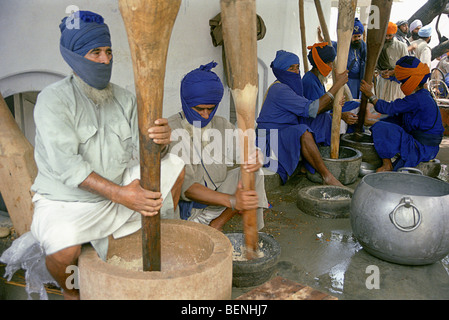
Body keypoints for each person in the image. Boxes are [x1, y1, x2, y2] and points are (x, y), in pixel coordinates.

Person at [0, 10, 185, 300]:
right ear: (73, 57)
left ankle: (130, 239)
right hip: (66, 201)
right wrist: (124, 196)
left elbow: (144, 151)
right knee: (64, 251)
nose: (105, 60)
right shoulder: (53, 100)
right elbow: (69, 168)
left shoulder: (124, 99)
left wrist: (161, 141)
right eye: (95, 52)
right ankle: (72, 293)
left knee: (176, 165)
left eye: (109, 51)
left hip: (120, 188)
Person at [168, 61, 268, 231]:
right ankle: (189, 227)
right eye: (200, 109)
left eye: (211, 108)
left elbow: (245, 149)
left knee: (254, 172)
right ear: (186, 102)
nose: (206, 114)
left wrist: (255, 156)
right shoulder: (171, 130)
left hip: (220, 201)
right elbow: (187, 188)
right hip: (191, 209)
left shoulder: (221, 124)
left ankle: (218, 224)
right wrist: (232, 201)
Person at [256, 50, 348, 186]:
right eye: (291, 68)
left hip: (284, 130)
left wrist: (334, 105)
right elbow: (313, 108)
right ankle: (326, 175)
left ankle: (310, 163)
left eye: (297, 67)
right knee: (303, 131)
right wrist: (337, 85)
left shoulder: (289, 86)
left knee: (323, 119)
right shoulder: (280, 89)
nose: (296, 71)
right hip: (271, 138)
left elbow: (313, 110)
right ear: (281, 71)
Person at [360, 56, 444, 172]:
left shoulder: (417, 99)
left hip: (422, 148)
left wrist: (370, 94)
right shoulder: (422, 95)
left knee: (380, 128)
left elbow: (386, 108)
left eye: (402, 81)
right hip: (427, 146)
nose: (400, 84)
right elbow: (398, 118)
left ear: (410, 81)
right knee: (391, 120)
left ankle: (386, 164)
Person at [302, 42, 359, 133]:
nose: (331, 67)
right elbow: (316, 111)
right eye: (328, 63)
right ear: (319, 64)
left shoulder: (317, 78)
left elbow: (323, 103)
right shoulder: (309, 82)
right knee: (344, 118)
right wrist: (340, 115)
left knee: (354, 105)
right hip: (316, 121)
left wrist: (334, 102)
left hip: (324, 113)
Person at [332, 18, 367, 99]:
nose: (357, 39)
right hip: (348, 81)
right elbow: (331, 44)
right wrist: (321, 37)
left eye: (359, 36)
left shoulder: (363, 46)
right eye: (355, 37)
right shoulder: (343, 45)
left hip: (360, 80)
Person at [376, 22, 408, 101]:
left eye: (389, 36)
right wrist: (381, 72)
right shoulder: (379, 46)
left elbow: (406, 66)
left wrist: (392, 72)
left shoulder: (401, 46)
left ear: (394, 34)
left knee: (394, 107)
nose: (387, 38)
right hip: (382, 82)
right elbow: (376, 65)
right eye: (385, 36)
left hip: (396, 84)